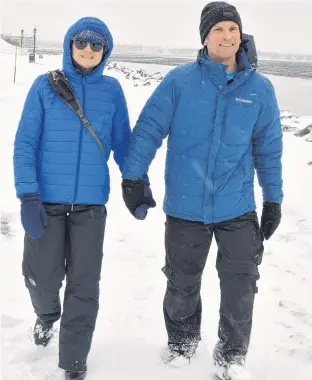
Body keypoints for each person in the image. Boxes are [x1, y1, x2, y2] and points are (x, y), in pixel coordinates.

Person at [121, 2, 283, 379]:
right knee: (181, 285)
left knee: (241, 287)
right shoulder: (179, 81)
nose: (227, 36)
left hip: (237, 206)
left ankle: (231, 358)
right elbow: (148, 131)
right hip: (185, 206)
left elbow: (269, 149)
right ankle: (182, 345)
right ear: (205, 37)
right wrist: (133, 178)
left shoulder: (259, 89)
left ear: (240, 35)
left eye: (232, 29)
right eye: (219, 30)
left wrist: (272, 199)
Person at [13, 17, 131, 380]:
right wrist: (27, 196)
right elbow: (25, 144)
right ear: (70, 44)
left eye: (97, 45)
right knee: (42, 279)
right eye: (82, 42)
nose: (89, 49)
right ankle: (46, 315)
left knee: (84, 285)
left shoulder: (112, 91)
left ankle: (74, 361)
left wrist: (136, 181)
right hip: (46, 203)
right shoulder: (44, 87)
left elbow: (124, 144)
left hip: (90, 208)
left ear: (106, 51)